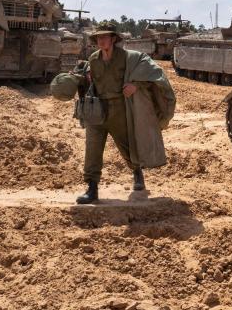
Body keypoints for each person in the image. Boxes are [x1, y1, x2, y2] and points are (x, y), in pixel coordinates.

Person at [58, 22, 176, 205]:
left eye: (105, 37)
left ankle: (137, 174)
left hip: (119, 109)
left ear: (113, 39)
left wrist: (135, 86)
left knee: (128, 146)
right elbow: (90, 82)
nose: (101, 40)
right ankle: (92, 188)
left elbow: (150, 75)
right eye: (98, 37)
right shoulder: (93, 60)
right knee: (92, 150)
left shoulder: (128, 58)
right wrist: (76, 80)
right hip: (97, 110)